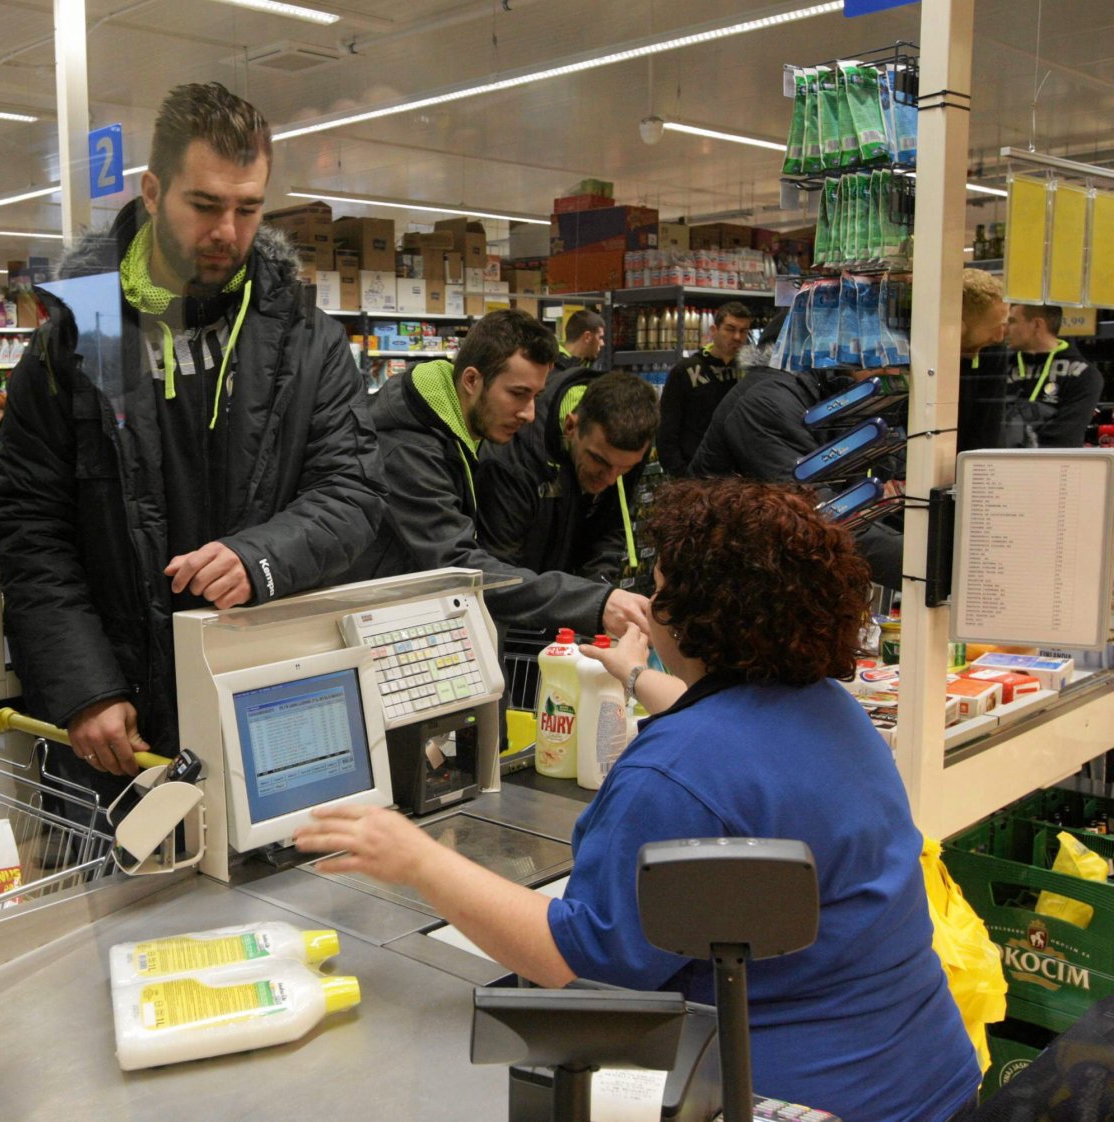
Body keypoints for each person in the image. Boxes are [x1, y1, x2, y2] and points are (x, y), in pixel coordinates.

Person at [295, 477, 981, 1122]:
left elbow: (573, 961)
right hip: (933, 1079)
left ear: (698, 623)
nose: (648, 613)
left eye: (656, 597)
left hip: (800, 1100)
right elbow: (729, 733)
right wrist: (631, 676)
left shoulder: (671, 776)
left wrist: (416, 858)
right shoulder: (833, 710)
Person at [0, 82, 385, 793]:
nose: (227, 232)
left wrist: (260, 557)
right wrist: (84, 687)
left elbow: (353, 491)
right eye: (205, 205)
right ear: (151, 191)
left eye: (248, 208)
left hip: (267, 701)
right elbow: (31, 531)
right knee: (129, 900)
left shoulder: (307, 341)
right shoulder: (73, 345)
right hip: (119, 724)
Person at [343, 309, 653, 640]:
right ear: (472, 380)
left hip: (412, 622)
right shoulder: (408, 450)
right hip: (375, 630)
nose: (529, 413)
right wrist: (593, 601)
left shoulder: (453, 434)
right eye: (518, 393)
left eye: (536, 396)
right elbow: (458, 566)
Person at [687, 361, 903, 588]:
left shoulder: (836, 397)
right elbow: (825, 518)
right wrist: (926, 567)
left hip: (766, 579)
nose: (894, 374)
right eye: (882, 362)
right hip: (727, 584)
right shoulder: (770, 403)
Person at [476, 369, 657, 589]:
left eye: (625, 468)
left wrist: (594, 594)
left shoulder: (628, 449)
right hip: (516, 596)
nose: (611, 479)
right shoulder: (514, 459)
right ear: (571, 426)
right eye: (600, 461)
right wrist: (577, 604)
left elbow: (612, 528)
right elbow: (499, 575)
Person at [654, 301, 753, 476]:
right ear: (714, 331)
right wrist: (681, 476)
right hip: (695, 476)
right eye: (730, 329)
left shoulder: (750, 373)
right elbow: (666, 433)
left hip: (737, 478)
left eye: (743, 331)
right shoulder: (685, 371)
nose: (737, 337)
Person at [1001, 304, 1103, 448]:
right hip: (996, 464)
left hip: (1051, 466)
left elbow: (1065, 437)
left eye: (1012, 321)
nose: (1005, 329)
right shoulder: (1000, 366)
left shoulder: (1085, 375)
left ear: (1037, 324)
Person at [955, 267, 1010, 453]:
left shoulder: (992, 351)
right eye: (995, 327)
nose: (1000, 336)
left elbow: (988, 429)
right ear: (959, 325)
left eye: (1004, 325)